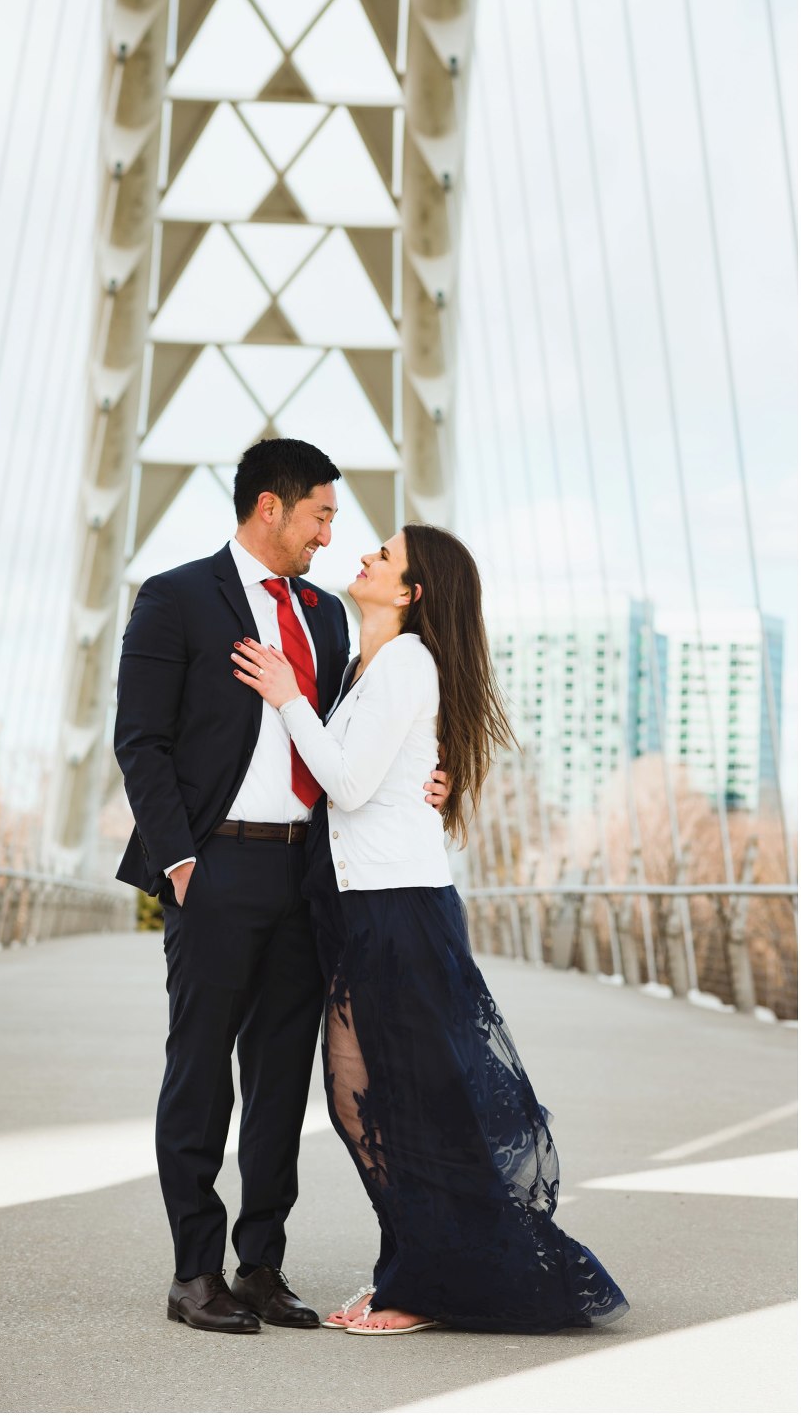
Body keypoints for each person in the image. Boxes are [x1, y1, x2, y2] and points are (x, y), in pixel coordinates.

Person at [231, 522, 630, 1336]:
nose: (367, 555)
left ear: (411, 593)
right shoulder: (365, 664)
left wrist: (286, 696)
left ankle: (417, 1287)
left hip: (398, 907)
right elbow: (380, 776)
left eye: (385, 555)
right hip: (363, 902)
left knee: (399, 1101)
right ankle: (408, 1273)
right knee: (362, 1098)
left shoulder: (406, 663)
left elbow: (344, 781)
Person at [113, 439, 450, 1335]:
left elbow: (349, 736)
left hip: (307, 872)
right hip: (214, 865)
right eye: (322, 515)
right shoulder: (176, 597)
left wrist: (432, 773)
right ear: (272, 506)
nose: (332, 534)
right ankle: (194, 1271)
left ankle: (260, 1265)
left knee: (278, 1079)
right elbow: (138, 741)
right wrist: (180, 861)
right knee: (199, 1071)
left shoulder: (327, 616)